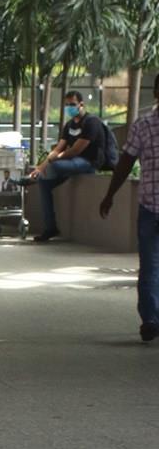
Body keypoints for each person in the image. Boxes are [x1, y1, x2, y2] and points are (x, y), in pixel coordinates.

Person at [100, 72, 159, 343]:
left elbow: (126, 162)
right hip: (149, 208)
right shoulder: (142, 125)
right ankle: (151, 319)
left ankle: (151, 319)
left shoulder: (143, 124)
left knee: (150, 266)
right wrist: (109, 194)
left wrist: (110, 195)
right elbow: (125, 162)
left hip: (149, 206)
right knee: (149, 266)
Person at [29, 90, 105, 242]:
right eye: (67, 105)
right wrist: (40, 167)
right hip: (71, 163)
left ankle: (31, 179)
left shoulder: (92, 122)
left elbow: (76, 149)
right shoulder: (69, 125)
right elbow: (59, 148)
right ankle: (50, 227)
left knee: (55, 167)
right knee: (44, 182)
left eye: (72, 104)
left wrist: (54, 159)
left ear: (81, 104)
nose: (69, 107)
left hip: (88, 162)